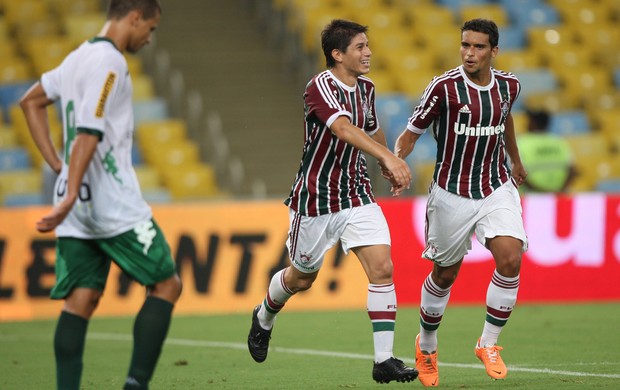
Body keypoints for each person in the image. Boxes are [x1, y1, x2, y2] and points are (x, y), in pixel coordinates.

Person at [19, 1, 182, 389]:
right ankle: (135, 384)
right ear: (135, 17)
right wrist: (71, 189)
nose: (149, 37)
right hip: (111, 202)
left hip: (77, 207)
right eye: (151, 29)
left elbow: (31, 102)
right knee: (166, 284)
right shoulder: (111, 62)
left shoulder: (77, 57)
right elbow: (90, 130)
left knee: (81, 299)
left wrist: (59, 168)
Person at [247, 19, 417, 384]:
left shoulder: (367, 88)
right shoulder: (319, 87)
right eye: (359, 47)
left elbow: (370, 129)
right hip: (317, 198)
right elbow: (341, 127)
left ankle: (383, 359)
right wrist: (389, 159)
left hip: (356, 193)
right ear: (337, 55)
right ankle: (264, 315)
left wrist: (384, 159)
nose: (368, 52)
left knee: (383, 269)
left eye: (367, 45)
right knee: (301, 277)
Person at [393, 19, 528, 386]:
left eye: (478, 47)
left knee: (511, 257)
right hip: (451, 192)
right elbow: (411, 133)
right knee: (445, 273)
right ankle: (428, 345)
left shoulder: (509, 86)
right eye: (465, 45)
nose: (469, 53)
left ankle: (489, 343)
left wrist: (515, 160)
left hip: (496, 186)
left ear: (494, 51)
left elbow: (505, 120)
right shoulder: (444, 88)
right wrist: (396, 162)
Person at [518, 109, 576, 192]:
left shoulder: (521, 142)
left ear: (533, 123)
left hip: (531, 198)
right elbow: (572, 171)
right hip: (557, 196)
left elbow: (516, 172)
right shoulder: (559, 141)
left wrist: (542, 193)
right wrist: (560, 190)